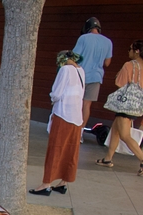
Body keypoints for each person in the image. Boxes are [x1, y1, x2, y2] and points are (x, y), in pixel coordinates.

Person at [29, 50, 85, 195]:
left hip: (63, 114)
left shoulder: (65, 70)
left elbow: (56, 93)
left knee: (56, 148)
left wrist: (52, 99)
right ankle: (64, 182)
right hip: (77, 116)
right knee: (71, 150)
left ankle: (46, 184)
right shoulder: (81, 71)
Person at [96, 40, 143, 177]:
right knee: (115, 130)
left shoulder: (129, 65)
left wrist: (118, 76)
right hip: (136, 104)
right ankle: (108, 159)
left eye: (130, 48)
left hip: (125, 104)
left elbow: (119, 83)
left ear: (137, 50)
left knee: (124, 135)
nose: (128, 51)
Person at [72, 17, 112, 141]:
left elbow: (74, 56)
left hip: (81, 75)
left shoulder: (83, 38)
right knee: (86, 105)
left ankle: (73, 130)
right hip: (96, 77)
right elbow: (107, 63)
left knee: (76, 103)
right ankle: (80, 133)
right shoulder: (108, 42)